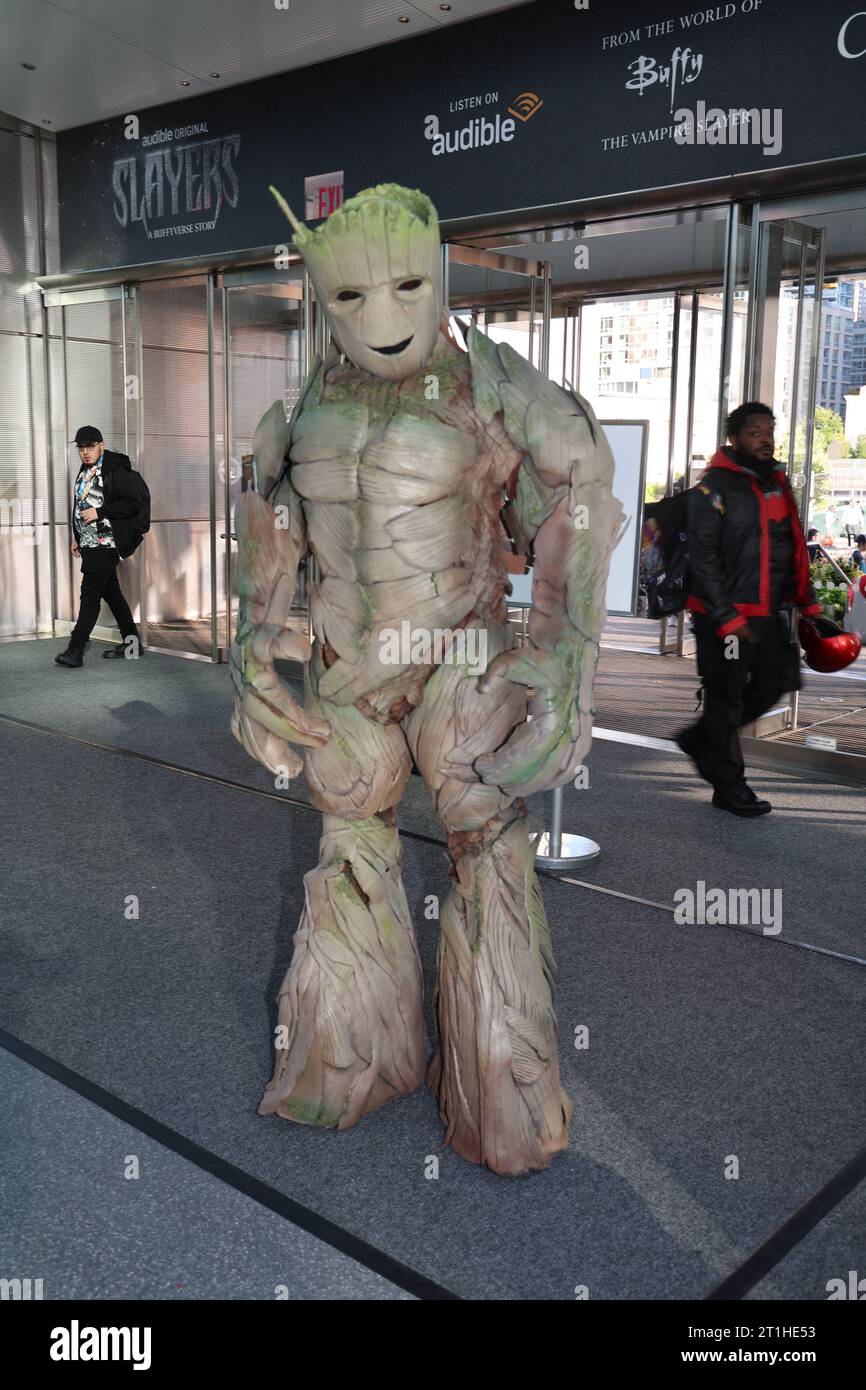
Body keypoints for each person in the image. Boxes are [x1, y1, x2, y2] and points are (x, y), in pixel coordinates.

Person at [675, 402, 822, 817]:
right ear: (734, 439)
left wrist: (807, 602)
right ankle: (729, 786)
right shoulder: (714, 487)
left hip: (770, 612)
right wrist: (726, 618)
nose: (765, 437)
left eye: (769, 430)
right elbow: (701, 557)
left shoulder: (775, 482)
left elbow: (790, 545)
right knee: (726, 699)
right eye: (755, 431)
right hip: (728, 618)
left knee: (776, 683)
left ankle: (701, 738)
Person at [55, 426, 143, 668]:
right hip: (89, 542)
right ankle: (133, 643)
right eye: (81, 448)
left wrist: (100, 512)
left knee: (90, 595)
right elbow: (80, 504)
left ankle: (75, 650)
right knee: (111, 593)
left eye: (90, 447)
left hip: (106, 543)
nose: (85, 452)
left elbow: (133, 502)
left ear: (101, 445)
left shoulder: (114, 469)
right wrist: (77, 537)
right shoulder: (85, 470)